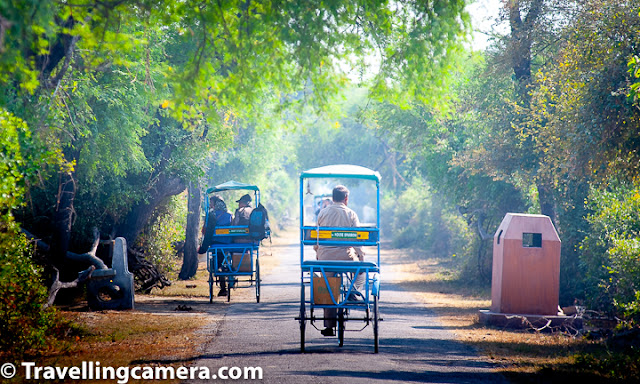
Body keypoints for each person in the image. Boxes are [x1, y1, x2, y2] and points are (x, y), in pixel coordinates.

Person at [314, 185, 365, 336]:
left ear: (333, 197)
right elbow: (358, 238)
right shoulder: (351, 214)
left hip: (326, 259)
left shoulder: (323, 212)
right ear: (346, 199)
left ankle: (329, 326)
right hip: (345, 258)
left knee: (329, 287)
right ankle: (353, 291)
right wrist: (361, 257)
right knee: (361, 273)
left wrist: (318, 252)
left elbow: (317, 238)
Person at [200, 195, 233, 297]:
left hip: (216, 244)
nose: (210, 205)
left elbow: (207, 232)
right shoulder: (229, 215)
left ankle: (223, 288)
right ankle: (229, 276)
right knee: (225, 262)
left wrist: (203, 247)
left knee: (216, 265)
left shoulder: (211, 215)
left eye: (211, 203)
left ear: (215, 204)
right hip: (228, 244)